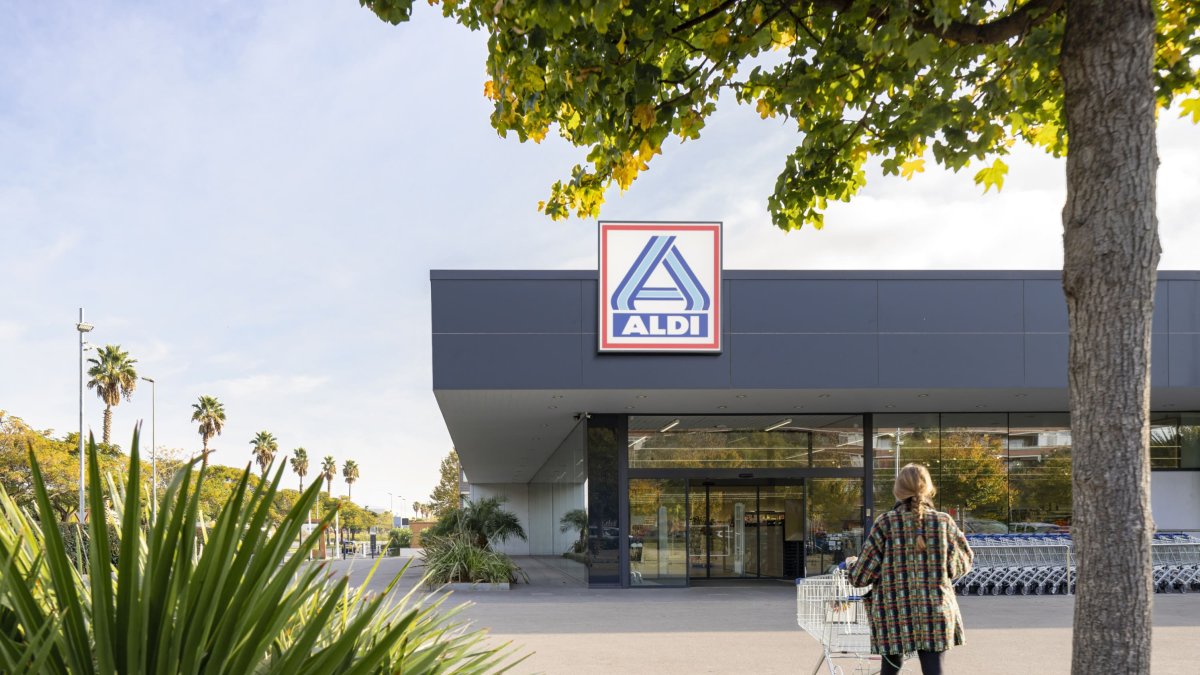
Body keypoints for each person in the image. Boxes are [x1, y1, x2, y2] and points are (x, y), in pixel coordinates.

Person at [845, 463, 973, 675]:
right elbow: (963, 563)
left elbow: (861, 576)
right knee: (934, 670)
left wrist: (851, 564)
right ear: (929, 489)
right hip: (936, 610)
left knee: (891, 669)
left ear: (897, 491)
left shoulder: (885, 523)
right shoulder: (944, 522)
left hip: (894, 613)